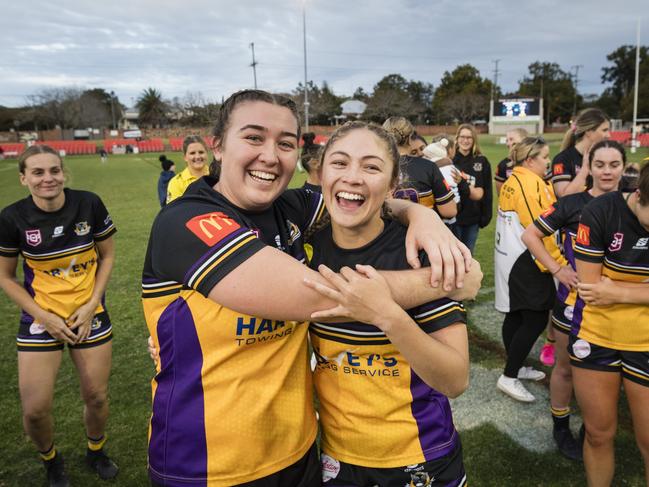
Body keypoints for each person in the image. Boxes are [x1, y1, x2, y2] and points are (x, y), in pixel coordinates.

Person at [142, 89, 480, 487]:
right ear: (217, 146)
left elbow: (362, 198)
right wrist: (449, 279)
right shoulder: (185, 219)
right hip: (207, 462)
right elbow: (318, 296)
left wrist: (422, 216)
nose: (270, 155)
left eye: (285, 143)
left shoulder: (293, 209)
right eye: (253, 138)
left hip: (300, 452)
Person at [307, 121, 469, 486]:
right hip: (337, 456)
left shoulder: (420, 252)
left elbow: (455, 380)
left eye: (371, 166)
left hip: (421, 454)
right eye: (340, 163)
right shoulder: (303, 247)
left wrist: (386, 314)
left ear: (394, 184)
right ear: (320, 173)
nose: (352, 177)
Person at [0, 145, 118, 487]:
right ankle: (51, 460)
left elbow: (107, 256)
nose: (48, 178)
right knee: (34, 411)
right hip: (41, 320)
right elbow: (6, 277)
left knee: (96, 396)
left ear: (64, 173)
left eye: (54, 170)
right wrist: (44, 317)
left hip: (89, 314)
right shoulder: (11, 219)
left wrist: (93, 302)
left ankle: (96, 450)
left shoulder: (89, 204)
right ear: (23, 178)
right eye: (38, 172)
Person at [521, 140, 627, 461]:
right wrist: (557, 268)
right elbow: (530, 234)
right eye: (600, 165)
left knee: (615, 374)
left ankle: (593, 427)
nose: (607, 171)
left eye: (614, 165)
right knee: (566, 369)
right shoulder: (571, 204)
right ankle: (561, 425)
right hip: (574, 305)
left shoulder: (634, 202)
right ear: (588, 168)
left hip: (623, 307)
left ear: (624, 167)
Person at [571, 163, 649, 486]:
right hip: (597, 336)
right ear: (639, 194)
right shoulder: (601, 211)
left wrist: (618, 290)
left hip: (645, 342)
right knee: (598, 434)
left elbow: (605, 290)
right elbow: (591, 290)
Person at [494, 137, 560, 402]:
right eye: (545, 156)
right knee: (534, 318)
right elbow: (541, 230)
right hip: (527, 260)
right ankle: (509, 376)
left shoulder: (514, 179)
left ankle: (516, 366)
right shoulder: (530, 184)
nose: (548, 161)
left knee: (517, 315)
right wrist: (558, 264)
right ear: (531, 159)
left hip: (512, 258)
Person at [383, 117, 457, 221]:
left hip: (388, 234)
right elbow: (449, 211)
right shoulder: (428, 167)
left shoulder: (376, 167)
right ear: (409, 139)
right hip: (423, 232)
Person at [551, 108, 610, 198]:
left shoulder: (603, 158)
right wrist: (585, 168)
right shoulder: (563, 159)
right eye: (604, 130)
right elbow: (564, 196)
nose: (608, 135)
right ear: (589, 131)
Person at [452, 124, 491, 253]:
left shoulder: (481, 161)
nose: (465, 140)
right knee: (454, 256)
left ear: (474, 140)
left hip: (472, 218)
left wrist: (486, 215)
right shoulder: (449, 160)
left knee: (468, 255)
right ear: (457, 139)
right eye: (462, 137)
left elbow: (487, 191)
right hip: (453, 218)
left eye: (469, 137)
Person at [165, 135, 210, 203]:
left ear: (207, 154)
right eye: (192, 153)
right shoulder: (176, 183)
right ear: (185, 157)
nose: (197, 156)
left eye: (201, 152)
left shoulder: (219, 177)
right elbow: (175, 211)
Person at [494, 128, 528, 196]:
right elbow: (501, 195)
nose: (508, 143)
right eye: (507, 140)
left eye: (511, 139)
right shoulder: (503, 165)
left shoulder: (535, 161)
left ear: (524, 140)